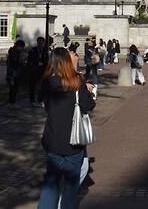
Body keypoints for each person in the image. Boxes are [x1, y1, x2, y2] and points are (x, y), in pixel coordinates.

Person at [37, 47, 96, 209]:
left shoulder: (48, 81)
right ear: (66, 61)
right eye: (72, 56)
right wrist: (88, 91)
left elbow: (41, 100)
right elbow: (88, 105)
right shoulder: (77, 81)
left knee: (51, 183)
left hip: (52, 137)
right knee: (70, 187)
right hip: (73, 140)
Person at [27, 37, 49, 107]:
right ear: (37, 42)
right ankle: (32, 100)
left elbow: (47, 61)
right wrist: (35, 64)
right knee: (32, 86)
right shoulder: (33, 50)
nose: (40, 44)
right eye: (39, 42)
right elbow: (29, 60)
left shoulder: (45, 51)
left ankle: (41, 100)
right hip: (34, 70)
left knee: (42, 86)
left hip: (42, 70)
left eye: (42, 42)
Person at [6, 39, 26, 107]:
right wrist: (20, 62)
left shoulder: (17, 52)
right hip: (13, 73)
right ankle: (11, 102)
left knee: (15, 88)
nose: (22, 48)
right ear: (18, 46)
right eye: (21, 47)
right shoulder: (13, 53)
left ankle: (12, 102)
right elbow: (11, 64)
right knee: (13, 89)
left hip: (17, 73)